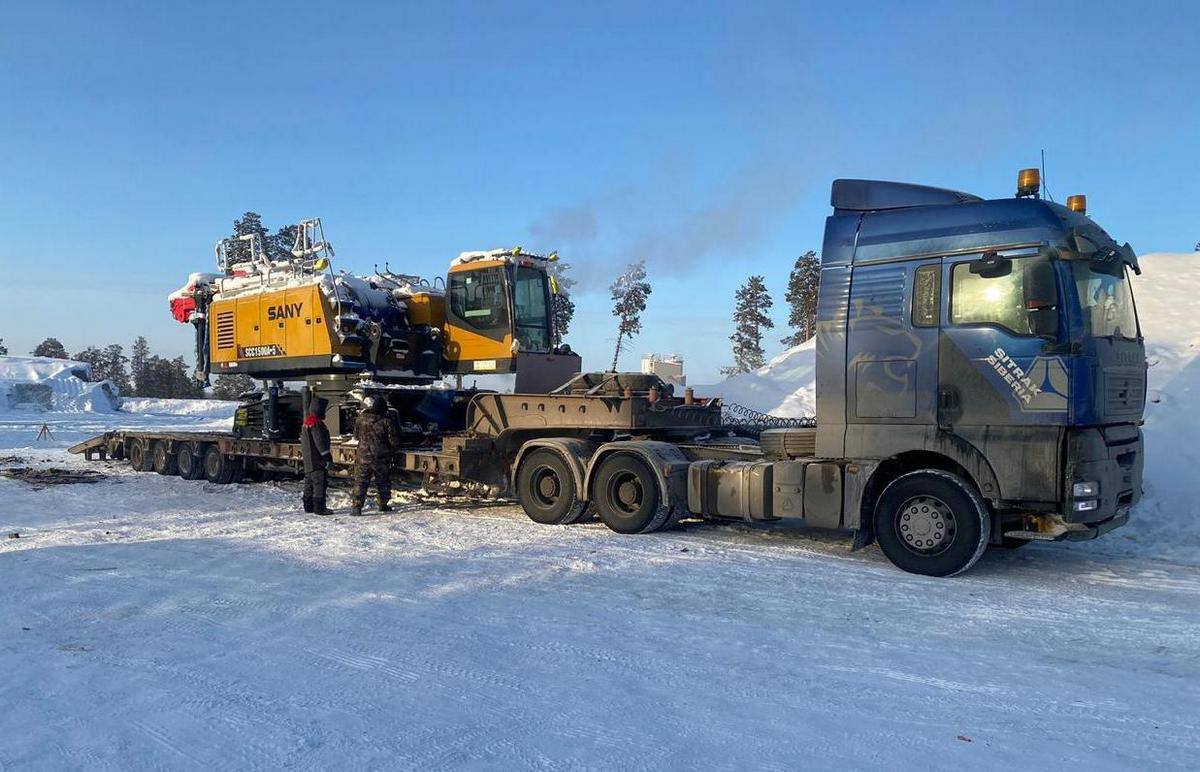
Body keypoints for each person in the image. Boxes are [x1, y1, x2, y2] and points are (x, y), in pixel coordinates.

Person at [351, 394, 400, 516]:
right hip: (380, 456)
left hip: (363, 455)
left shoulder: (361, 419)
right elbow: (393, 440)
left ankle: (357, 508)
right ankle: (383, 505)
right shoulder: (386, 421)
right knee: (382, 481)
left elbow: (356, 436)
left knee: (361, 481)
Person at [300, 396, 333, 516]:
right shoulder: (317, 424)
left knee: (309, 483)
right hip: (317, 458)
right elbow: (320, 442)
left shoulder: (307, 422)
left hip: (308, 458)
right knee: (319, 483)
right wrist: (326, 456)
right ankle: (320, 508)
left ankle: (308, 506)